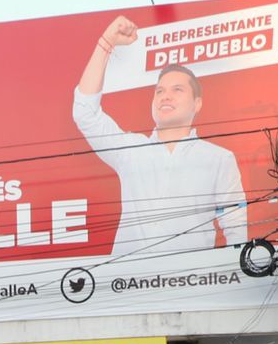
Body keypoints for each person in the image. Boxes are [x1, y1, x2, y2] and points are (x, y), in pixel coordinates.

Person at [73, 15, 245, 256]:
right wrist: (106, 43)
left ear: (197, 103)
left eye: (177, 90)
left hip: (192, 285)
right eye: (159, 91)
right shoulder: (131, 150)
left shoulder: (219, 159)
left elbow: (236, 228)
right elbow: (85, 113)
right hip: (127, 285)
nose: (165, 96)